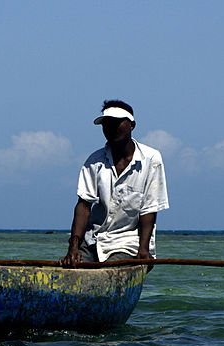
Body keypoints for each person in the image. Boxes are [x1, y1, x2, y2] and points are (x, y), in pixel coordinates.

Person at [61, 100, 169, 266]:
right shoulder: (94, 161)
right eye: (107, 124)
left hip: (128, 244)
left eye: (117, 123)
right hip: (93, 241)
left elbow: (149, 209)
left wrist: (144, 249)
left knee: (110, 270)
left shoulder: (151, 159)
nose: (111, 128)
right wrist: (73, 246)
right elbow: (83, 205)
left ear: (132, 125)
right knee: (72, 269)